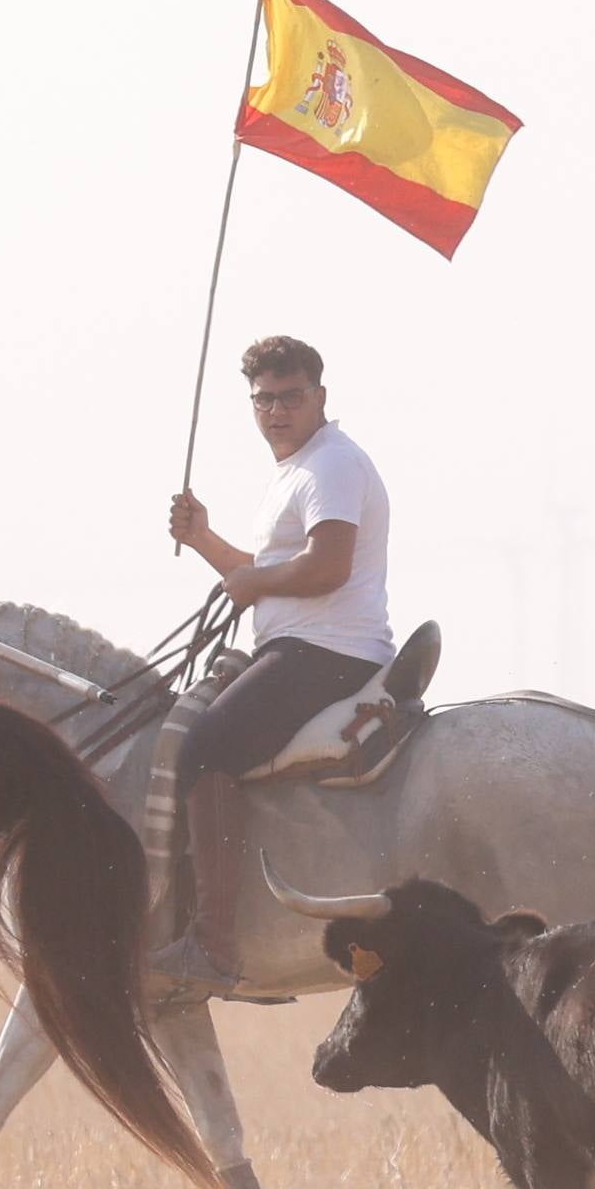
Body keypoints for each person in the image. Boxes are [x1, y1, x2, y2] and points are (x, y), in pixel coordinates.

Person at [162, 335, 392, 988]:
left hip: (329, 651)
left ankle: (213, 948)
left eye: (291, 397)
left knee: (203, 748)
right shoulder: (295, 472)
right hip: (298, 645)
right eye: (263, 399)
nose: (276, 411)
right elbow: (261, 572)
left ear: (319, 397)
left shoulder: (331, 467)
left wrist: (257, 585)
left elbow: (325, 568)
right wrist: (201, 536)